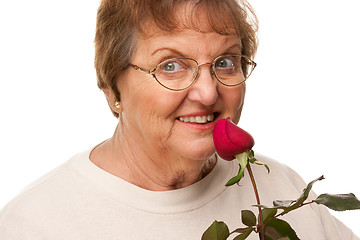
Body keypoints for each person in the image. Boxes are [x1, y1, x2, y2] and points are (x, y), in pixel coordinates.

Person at [0, 0, 358, 239]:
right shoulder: (34, 225)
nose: (208, 93)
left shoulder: (282, 187)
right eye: (170, 65)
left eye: (225, 62)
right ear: (113, 88)